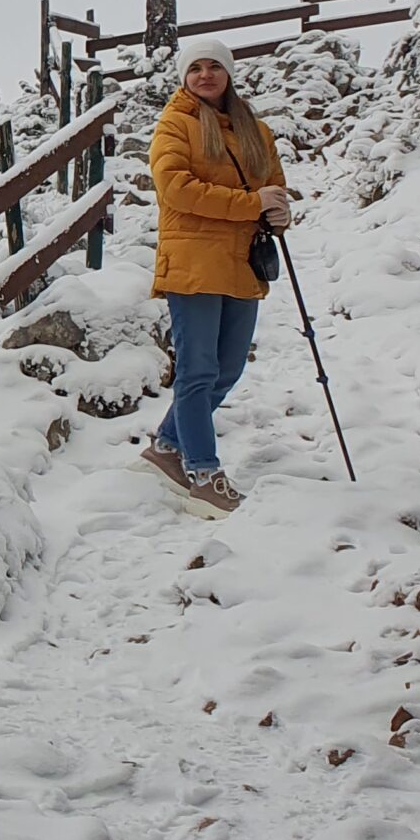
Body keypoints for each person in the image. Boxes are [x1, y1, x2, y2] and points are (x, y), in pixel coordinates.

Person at [143, 36, 290, 514]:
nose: (205, 75)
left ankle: (167, 447)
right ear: (184, 77)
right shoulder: (175, 124)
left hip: (241, 262)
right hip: (193, 263)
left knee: (227, 369)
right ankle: (203, 474)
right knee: (198, 370)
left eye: (214, 67)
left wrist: (279, 212)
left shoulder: (255, 130)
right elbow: (176, 189)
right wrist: (251, 204)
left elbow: (274, 187)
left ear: (228, 73)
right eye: (195, 68)